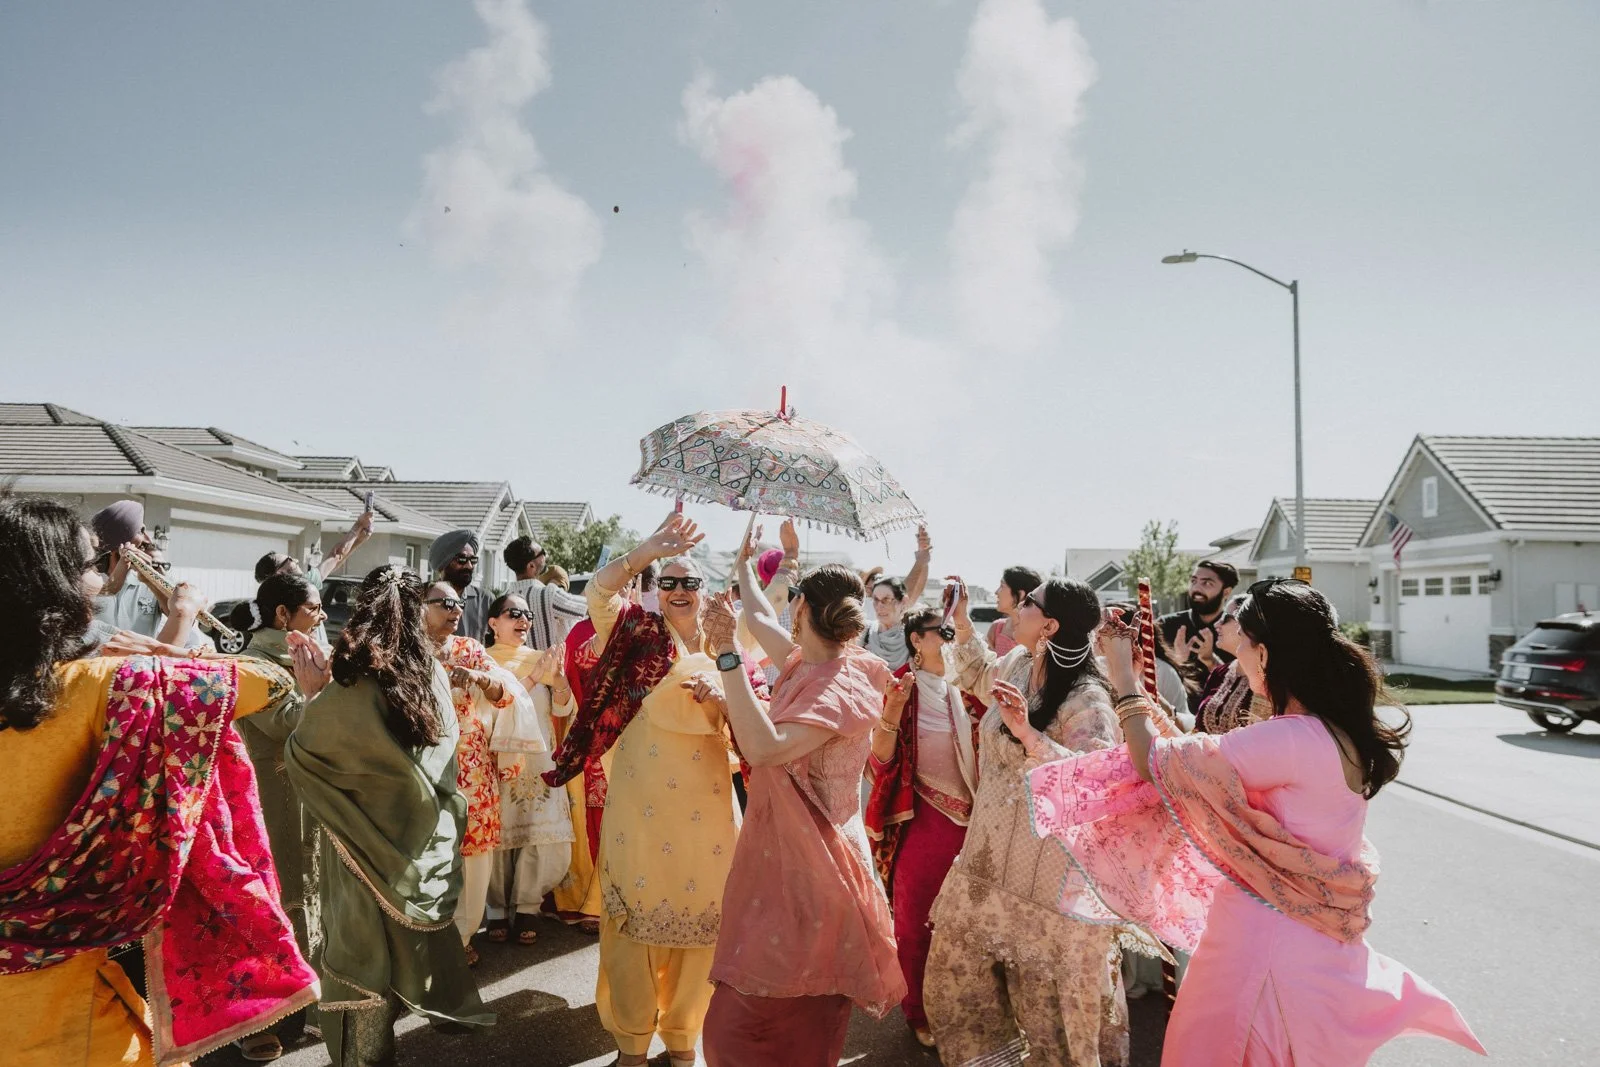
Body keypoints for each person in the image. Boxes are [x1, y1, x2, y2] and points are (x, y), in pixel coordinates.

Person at [1028, 580, 1486, 1065]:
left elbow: (1155, 762)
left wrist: (1122, 676)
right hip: (1314, 946)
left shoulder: (1287, 741)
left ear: (1264, 654)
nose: (1237, 656)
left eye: (1242, 643)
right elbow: (1194, 759)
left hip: (1262, 949)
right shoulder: (1333, 732)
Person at [0, 495, 316, 1067]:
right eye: (91, 567)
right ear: (57, 584)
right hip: (67, 1021)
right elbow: (270, 682)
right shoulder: (108, 682)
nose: (100, 578)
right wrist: (168, 647)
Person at [541, 515, 738, 1067]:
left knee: (702, 929)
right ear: (655, 590)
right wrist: (645, 551)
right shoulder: (637, 633)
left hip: (710, 813)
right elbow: (597, 595)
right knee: (631, 926)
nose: (678, 591)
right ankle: (630, 1042)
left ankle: (682, 1038)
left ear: (706, 591)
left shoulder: (729, 644)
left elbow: (755, 718)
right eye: (668, 582)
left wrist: (721, 695)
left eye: (689, 582)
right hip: (641, 808)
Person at [696, 544, 903, 1067]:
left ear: (804, 608)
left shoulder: (843, 686)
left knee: (755, 1030)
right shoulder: (805, 659)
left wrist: (726, 656)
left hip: (817, 867)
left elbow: (764, 747)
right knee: (765, 1020)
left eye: (793, 602)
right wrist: (742, 565)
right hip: (781, 855)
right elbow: (762, 615)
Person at [284, 566, 495, 1067]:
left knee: (363, 970)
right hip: (420, 848)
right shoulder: (435, 677)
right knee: (402, 959)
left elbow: (305, 754)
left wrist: (312, 693)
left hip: (362, 849)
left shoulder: (355, 683)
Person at [923, 577, 1137, 1067]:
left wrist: (1029, 737)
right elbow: (977, 675)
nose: (1017, 608)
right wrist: (958, 619)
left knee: (1043, 1016)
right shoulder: (1019, 664)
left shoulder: (1088, 700)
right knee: (955, 981)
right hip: (987, 861)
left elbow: (1095, 787)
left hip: (1046, 882)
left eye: (1027, 603)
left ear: (1051, 626)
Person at [864, 606, 981, 1048]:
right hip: (922, 815)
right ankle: (918, 1012)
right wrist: (892, 710)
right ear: (916, 639)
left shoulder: (968, 686)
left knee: (966, 923)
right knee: (915, 921)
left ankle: (962, 1005)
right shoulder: (899, 686)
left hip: (973, 820)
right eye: (943, 632)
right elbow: (878, 761)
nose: (951, 640)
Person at [225, 573, 330, 1061]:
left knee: (309, 894)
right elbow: (287, 722)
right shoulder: (254, 663)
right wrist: (321, 691)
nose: (323, 614)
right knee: (280, 897)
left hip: (308, 792)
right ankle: (266, 1016)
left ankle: (301, 1006)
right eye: (313, 607)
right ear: (282, 615)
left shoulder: (302, 653)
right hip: (272, 795)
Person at [422, 581, 545, 965]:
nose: (455, 609)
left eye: (459, 603)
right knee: (429, 854)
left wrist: (478, 679)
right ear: (420, 607)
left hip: (471, 770)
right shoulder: (407, 652)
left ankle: (461, 937)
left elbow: (506, 694)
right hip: (422, 768)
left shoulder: (469, 650)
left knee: (474, 858)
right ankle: (428, 940)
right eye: (444, 603)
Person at [547, 563, 657, 933]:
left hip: (638, 739)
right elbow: (572, 683)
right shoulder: (580, 631)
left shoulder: (651, 628)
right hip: (593, 736)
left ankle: (622, 897)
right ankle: (591, 901)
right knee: (594, 820)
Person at [482, 593, 575, 948]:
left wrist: (560, 678)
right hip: (496, 759)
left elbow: (564, 710)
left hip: (539, 760)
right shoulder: (483, 660)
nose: (523, 620)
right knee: (498, 837)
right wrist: (537, 677)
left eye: (527, 615)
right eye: (513, 614)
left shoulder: (542, 659)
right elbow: (500, 705)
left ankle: (527, 908)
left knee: (539, 835)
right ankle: (494, 910)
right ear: (493, 623)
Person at [89, 500, 205, 648]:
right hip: (96, 667)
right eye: (140, 531)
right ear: (119, 544)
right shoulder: (92, 580)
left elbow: (177, 616)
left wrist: (150, 581)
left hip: (140, 666)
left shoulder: (155, 578)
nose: (147, 539)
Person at [1158, 560, 1240, 702]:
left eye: (1207, 583)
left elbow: (1242, 683)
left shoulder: (1237, 630)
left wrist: (1211, 661)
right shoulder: (1165, 626)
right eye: (1194, 581)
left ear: (1226, 591)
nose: (1196, 589)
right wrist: (1177, 661)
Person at [1194, 593, 1272, 734]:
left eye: (1225, 618)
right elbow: (1196, 734)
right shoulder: (1220, 673)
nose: (1217, 624)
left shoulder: (1275, 680)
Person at [858, 524, 933, 670]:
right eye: (872, 579)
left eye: (886, 600)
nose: (880, 606)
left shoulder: (910, 634)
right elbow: (908, 592)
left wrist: (923, 558)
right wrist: (920, 561)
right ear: (867, 588)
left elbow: (914, 590)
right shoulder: (864, 618)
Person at [503, 536, 587, 651]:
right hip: (549, 666)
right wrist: (595, 583)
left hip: (515, 668)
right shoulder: (548, 594)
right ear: (531, 566)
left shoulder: (503, 600)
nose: (545, 555)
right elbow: (586, 606)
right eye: (542, 553)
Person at [431, 529, 492, 640]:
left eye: (473, 560)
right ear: (443, 564)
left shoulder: (485, 600)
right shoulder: (425, 598)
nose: (469, 565)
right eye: (462, 559)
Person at [987, 565, 1043, 656]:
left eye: (1002, 586)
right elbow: (986, 667)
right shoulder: (997, 628)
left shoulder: (1040, 633)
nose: (996, 592)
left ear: (1021, 594)